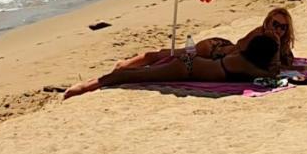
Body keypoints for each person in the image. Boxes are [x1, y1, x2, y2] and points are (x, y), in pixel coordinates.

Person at [64, 34, 280, 99]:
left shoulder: (243, 59)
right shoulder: (245, 64)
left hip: (191, 65)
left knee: (141, 74)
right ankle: (85, 87)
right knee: (137, 77)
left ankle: (108, 77)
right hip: (188, 67)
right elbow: (271, 76)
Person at [112, 7, 296, 73]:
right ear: (267, 22)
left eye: (283, 27)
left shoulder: (281, 44)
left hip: (221, 56)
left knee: (173, 60)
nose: (278, 29)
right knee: (171, 55)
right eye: (275, 23)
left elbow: (283, 65)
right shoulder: (259, 34)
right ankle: (125, 64)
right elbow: (240, 46)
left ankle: (137, 66)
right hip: (213, 50)